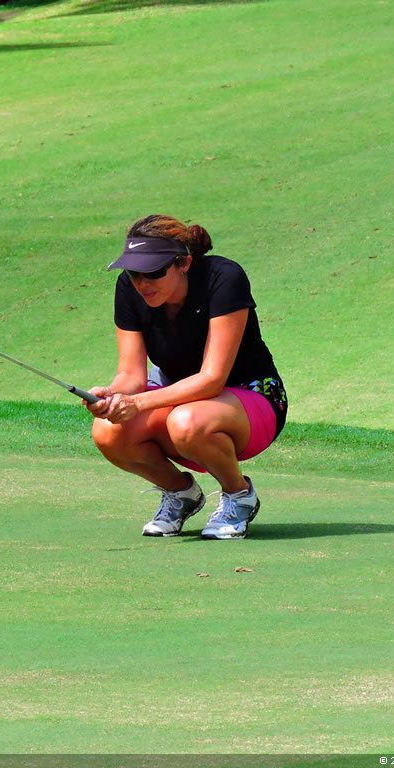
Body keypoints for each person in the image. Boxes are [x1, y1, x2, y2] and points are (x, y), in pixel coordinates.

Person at [86, 215, 287, 540]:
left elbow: (211, 379)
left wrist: (137, 403)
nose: (142, 283)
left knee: (186, 421)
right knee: (108, 430)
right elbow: (131, 374)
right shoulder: (128, 289)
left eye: (153, 272)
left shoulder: (224, 277)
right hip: (177, 396)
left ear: (184, 263)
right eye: (135, 273)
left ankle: (239, 495)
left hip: (252, 397)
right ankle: (180, 493)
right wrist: (112, 396)